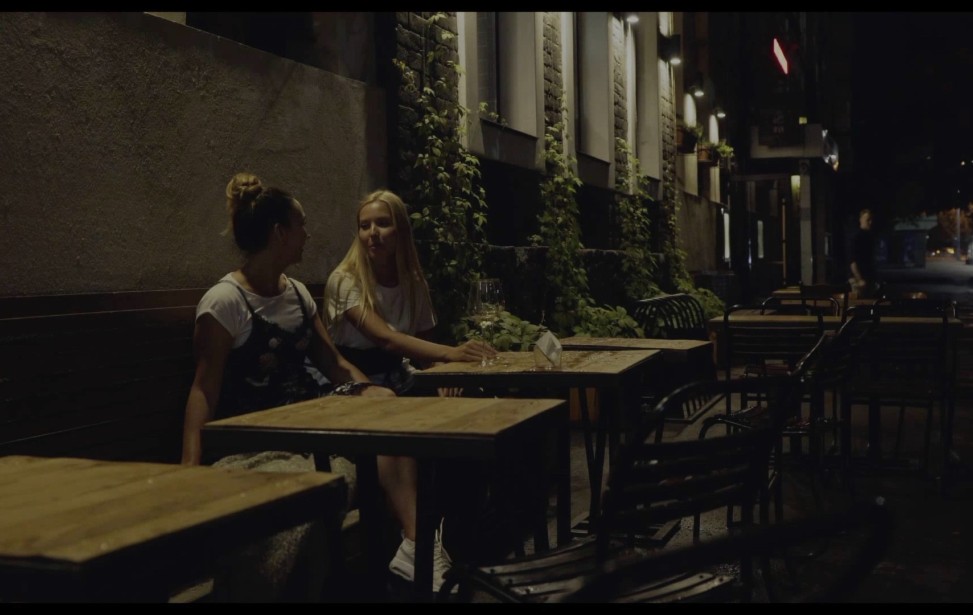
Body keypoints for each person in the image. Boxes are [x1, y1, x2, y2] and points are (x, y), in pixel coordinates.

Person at [181, 172, 399, 601]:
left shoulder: (297, 294)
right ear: (280, 233)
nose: (307, 235)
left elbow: (334, 364)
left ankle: (399, 566)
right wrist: (188, 471)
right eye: (301, 225)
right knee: (307, 501)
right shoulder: (225, 303)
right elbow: (203, 389)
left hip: (308, 437)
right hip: (250, 448)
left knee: (368, 463)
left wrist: (374, 399)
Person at [324, 189, 497, 591]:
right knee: (398, 423)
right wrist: (452, 354)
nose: (372, 233)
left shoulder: (412, 281)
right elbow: (385, 339)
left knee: (468, 418)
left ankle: (452, 538)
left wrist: (444, 373)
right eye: (364, 225)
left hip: (398, 380)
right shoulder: (344, 280)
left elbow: (423, 348)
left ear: (400, 230)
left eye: (382, 224)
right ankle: (416, 543)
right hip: (351, 382)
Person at [849, 208, 879, 299]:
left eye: (871, 220)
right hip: (858, 279)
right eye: (868, 220)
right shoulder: (857, 237)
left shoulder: (869, 237)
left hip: (868, 278)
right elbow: (852, 261)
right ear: (861, 220)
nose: (870, 222)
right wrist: (859, 279)